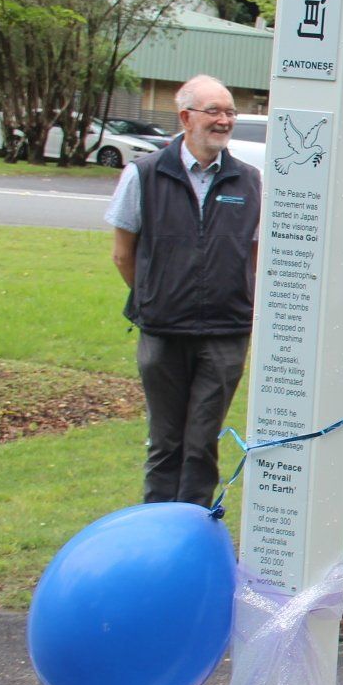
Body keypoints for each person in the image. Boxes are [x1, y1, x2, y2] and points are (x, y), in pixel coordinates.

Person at [104, 73, 262, 505]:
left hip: (225, 333)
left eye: (230, 111)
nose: (224, 120)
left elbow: (256, 255)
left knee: (201, 443)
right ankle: (156, 537)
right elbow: (123, 253)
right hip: (163, 331)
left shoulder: (249, 181)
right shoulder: (145, 174)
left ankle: (192, 531)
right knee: (165, 442)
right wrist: (155, 297)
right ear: (185, 117)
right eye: (214, 111)